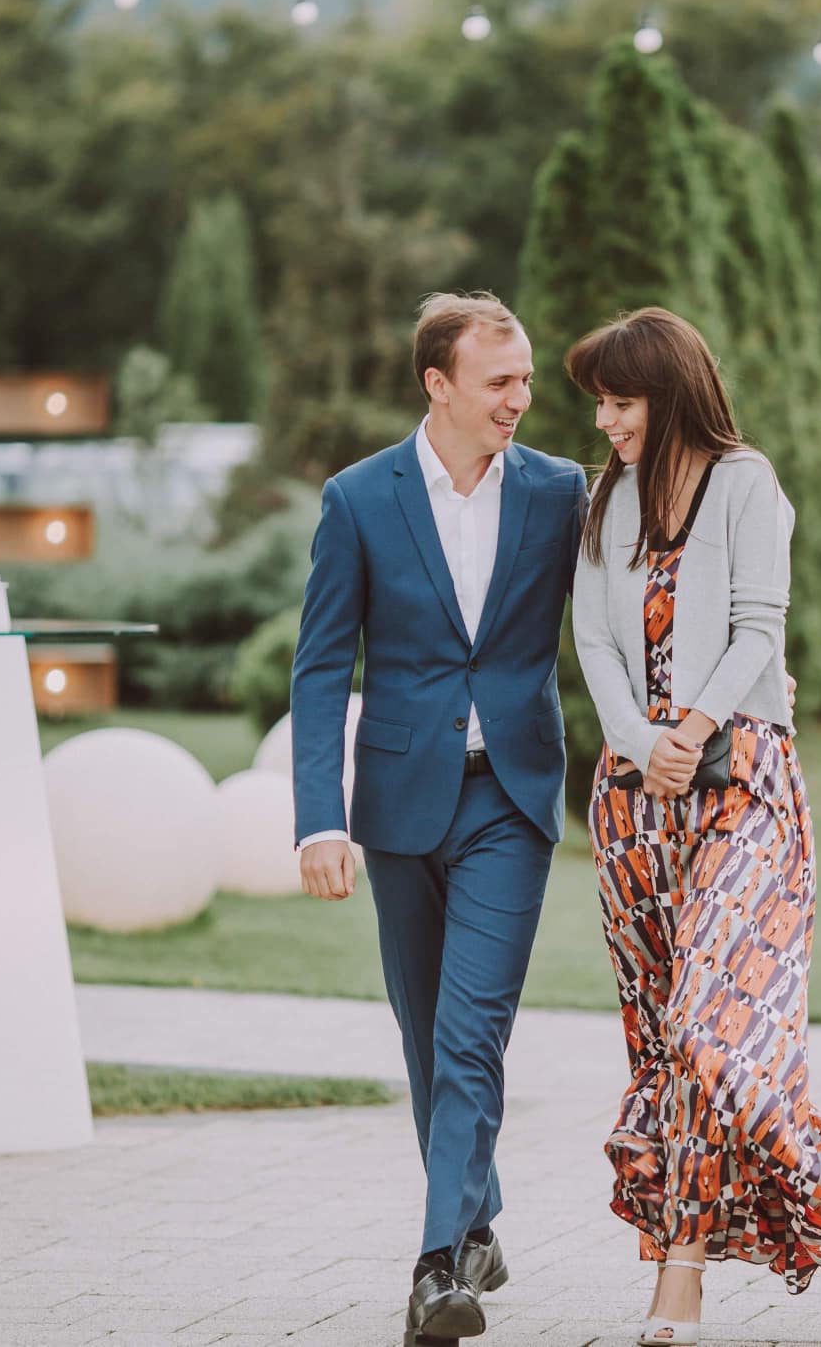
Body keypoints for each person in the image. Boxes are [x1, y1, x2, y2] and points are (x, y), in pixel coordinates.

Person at [566, 306, 821, 1345]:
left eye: (620, 401)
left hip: (742, 785)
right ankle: (677, 1281)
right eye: (599, 403)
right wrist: (641, 744)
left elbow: (760, 627)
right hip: (632, 802)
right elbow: (593, 640)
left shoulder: (744, 483)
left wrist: (689, 731)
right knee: (662, 1045)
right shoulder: (609, 498)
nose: (606, 422)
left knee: (705, 1030)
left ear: (669, 394)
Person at [288, 292, 585, 1347]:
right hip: (398, 805)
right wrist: (318, 820)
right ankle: (476, 1216)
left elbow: (627, 607)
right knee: (425, 1034)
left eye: (525, 379)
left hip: (511, 796)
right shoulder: (359, 498)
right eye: (499, 381)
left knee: (469, 1033)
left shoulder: (559, 492)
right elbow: (321, 665)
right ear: (438, 384)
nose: (520, 398)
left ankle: (436, 1270)